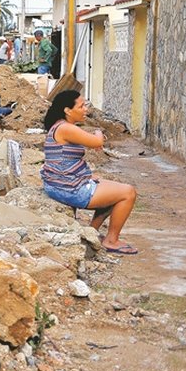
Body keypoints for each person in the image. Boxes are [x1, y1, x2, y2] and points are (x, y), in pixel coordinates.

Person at [42, 90, 138, 254]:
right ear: (67, 110)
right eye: (81, 106)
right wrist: (98, 133)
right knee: (128, 192)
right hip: (68, 188)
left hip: (62, 184)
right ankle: (111, 240)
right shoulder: (65, 128)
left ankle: (91, 232)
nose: (85, 109)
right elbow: (96, 142)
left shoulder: (62, 126)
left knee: (110, 186)